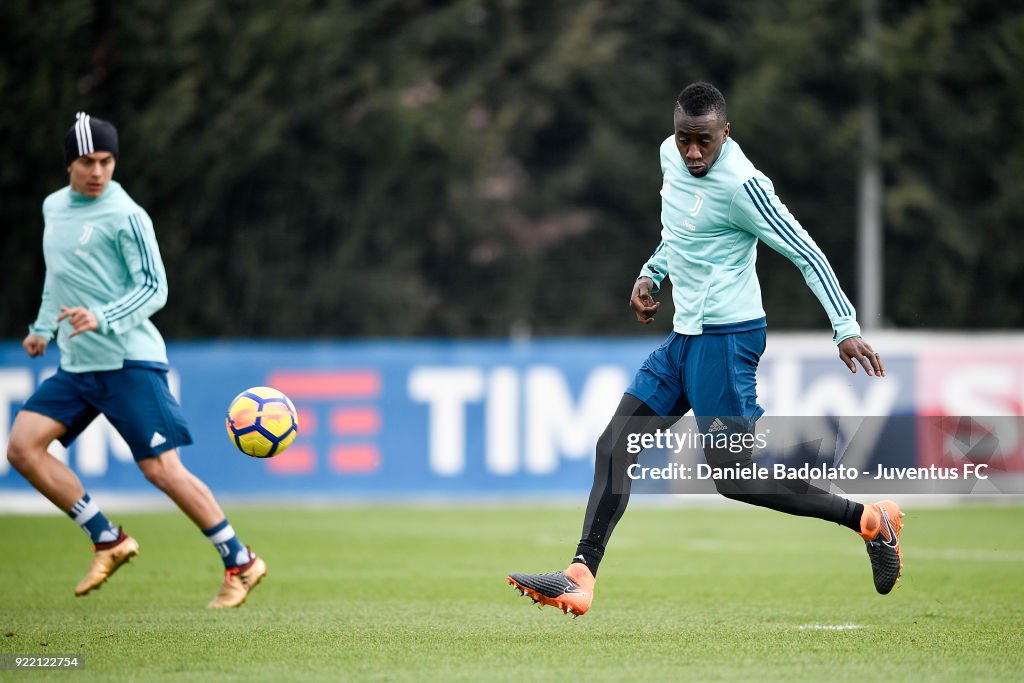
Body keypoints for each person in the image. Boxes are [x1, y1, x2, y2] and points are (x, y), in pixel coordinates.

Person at [507, 82, 903, 617]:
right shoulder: (670, 156)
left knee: (735, 479)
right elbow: (681, 230)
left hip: (727, 340)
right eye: (685, 139)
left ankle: (868, 520)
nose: (693, 152)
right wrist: (652, 272)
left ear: (726, 134)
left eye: (705, 142)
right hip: (683, 338)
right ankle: (580, 576)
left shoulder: (744, 185)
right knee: (615, 446)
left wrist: (845, 325)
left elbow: (807, 252)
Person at [6, 112, 266, 608]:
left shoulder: (127, 215)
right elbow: (57, 277)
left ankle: (241, 561)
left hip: (128, 360)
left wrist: (102, 316)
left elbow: (154, 288)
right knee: (22, 448)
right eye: (87, 161)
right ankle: (107, 539)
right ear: (70, 164)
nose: (99, 171)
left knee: (163, 471)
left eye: (107, 160)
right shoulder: (54, 208)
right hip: (78, 365)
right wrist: (43, 328)